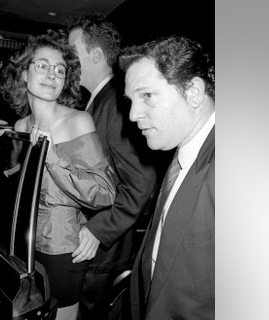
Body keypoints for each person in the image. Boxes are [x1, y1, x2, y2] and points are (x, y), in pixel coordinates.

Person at [0, 29, 117, 320]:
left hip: (61, 249)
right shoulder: (21, 125)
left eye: (59, 69)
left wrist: (53, 156)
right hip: (19, 242)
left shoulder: (78, 121)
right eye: (42, 65)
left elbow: (104, 192)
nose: (52, 73)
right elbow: (25, 183)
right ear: (24, 74)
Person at [66, 16, 159, 320]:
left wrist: (98, 229)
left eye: (72, 51)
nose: (67, 59)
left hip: (107, 249)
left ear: (95, 56)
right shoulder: (97, 102)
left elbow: (142, 181)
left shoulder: (117, 105)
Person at [119, 36, 215, 320]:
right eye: (131, 100)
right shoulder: (182, 148)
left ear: (193, 92)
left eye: (147, 95)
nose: (134, 114)